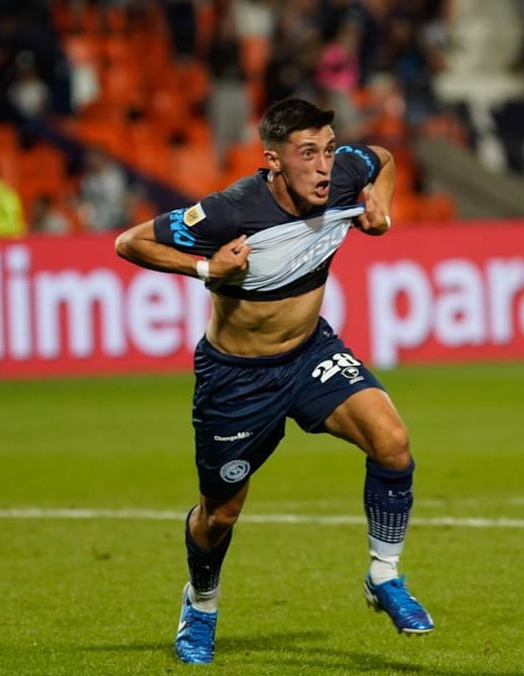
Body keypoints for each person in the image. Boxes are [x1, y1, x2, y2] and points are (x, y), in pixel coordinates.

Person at [114, 98, 433, 665]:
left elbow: (381, 157)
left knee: (393, 442)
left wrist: (379, 206)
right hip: (236, 379)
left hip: (310, 354)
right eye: (307, 153)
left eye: (329, 148)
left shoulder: (343, 175)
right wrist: (209, 269)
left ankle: (384, 576)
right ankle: (201, 606)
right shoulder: (230, 212)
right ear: (272, 161)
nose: (324, 165)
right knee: (221, 515)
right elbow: (131, 242)